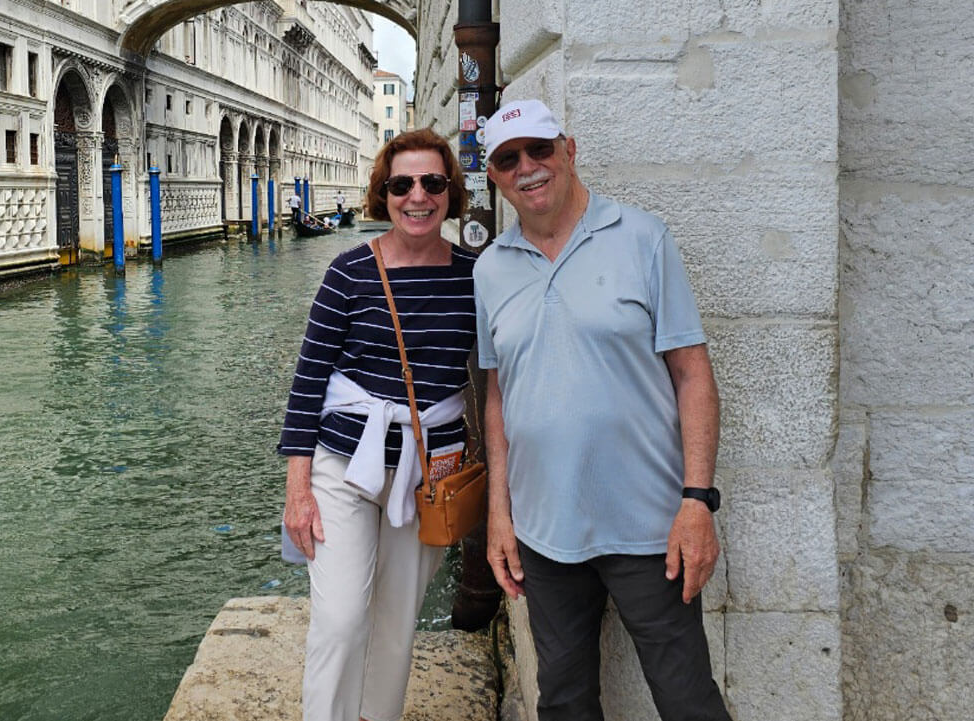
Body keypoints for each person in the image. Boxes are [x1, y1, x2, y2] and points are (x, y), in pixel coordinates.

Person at [474, 98, 731, 721]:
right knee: (562, 702)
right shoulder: (490, 269)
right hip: (542, 530)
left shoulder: (643, 237)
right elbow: (499, 395)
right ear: (496, 178)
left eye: (540, 149)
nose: (528, 167)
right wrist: (499, 516)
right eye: (509, 160)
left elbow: (692, 372)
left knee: (687, 699)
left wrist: (697, 501)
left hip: (649, 526)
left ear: (568, 148)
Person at [279, 128, 477, 721]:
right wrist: (298, 492)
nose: (418, 196)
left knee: (396, 624)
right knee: (340, 620)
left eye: (432, 183)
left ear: (450, 192)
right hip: (343, 466)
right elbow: (308, 382)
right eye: (402, 184)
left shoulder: (476, 275)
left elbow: (492, 378)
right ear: (383, 194)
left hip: (429, 473)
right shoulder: (348, 273)